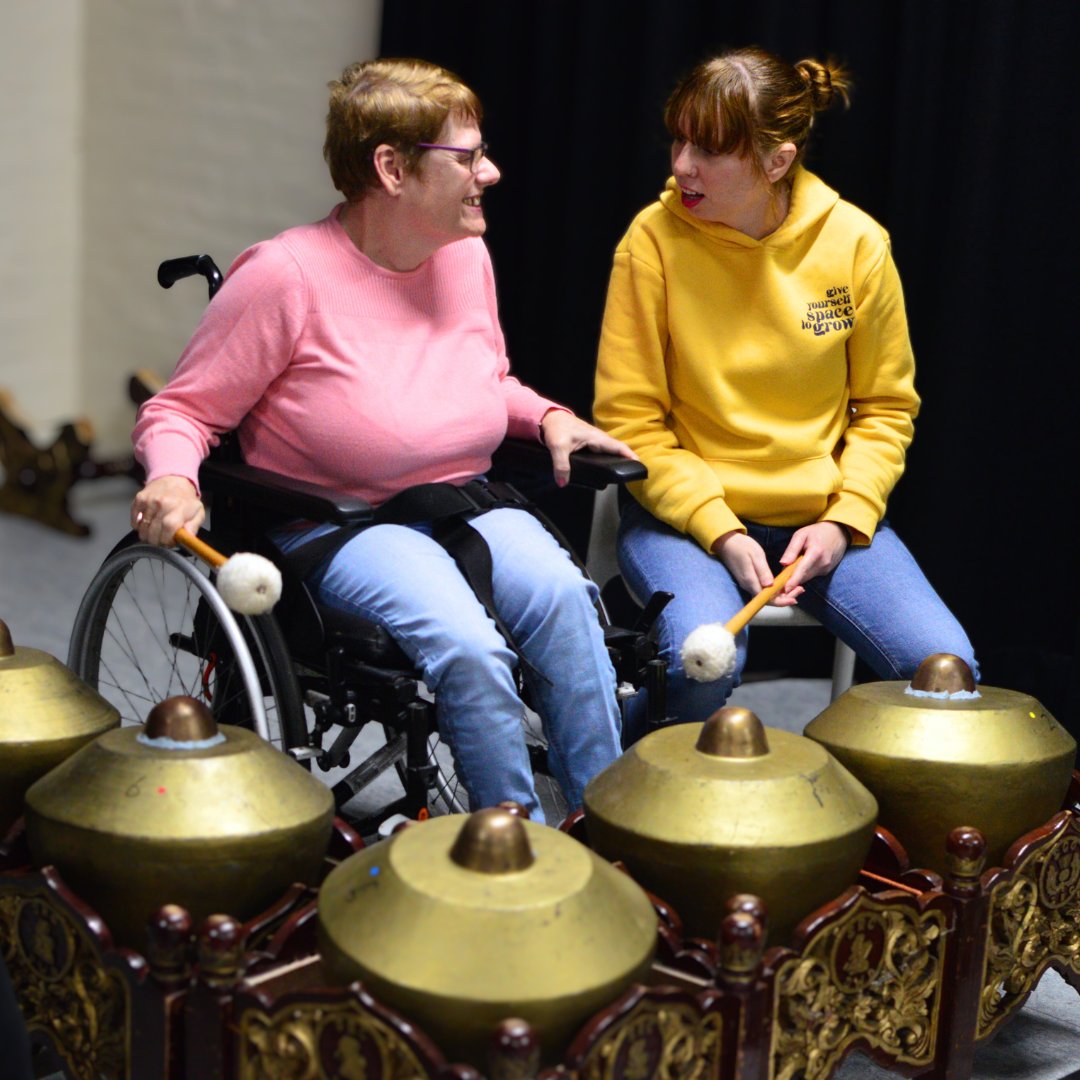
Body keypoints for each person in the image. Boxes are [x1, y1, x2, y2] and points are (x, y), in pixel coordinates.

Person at [131, 57, 635, 821]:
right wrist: (173, 477)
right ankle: (512, 848)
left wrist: (545, 417)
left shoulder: (463, 256)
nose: (490, 173)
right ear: (392, 169)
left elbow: (484, 378)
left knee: (568, 603)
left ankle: (605, 822)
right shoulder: (285, 277)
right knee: (469, 648)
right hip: (341, 524)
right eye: (467, 157)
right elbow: (183, 412)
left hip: (460, 501)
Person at [593, 46, 976, 735]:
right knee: (697, 667)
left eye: (709, 150)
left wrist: (845, 519)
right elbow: (631, 422)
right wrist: (719, 527)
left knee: (945, 676)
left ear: (777, 161)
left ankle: (835, 802)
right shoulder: (650, 242)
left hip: (824, 520)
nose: (682, 165)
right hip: (685, 522)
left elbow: (885, 409)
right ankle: (612, 766)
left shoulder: (857, 244)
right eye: (679, 139)